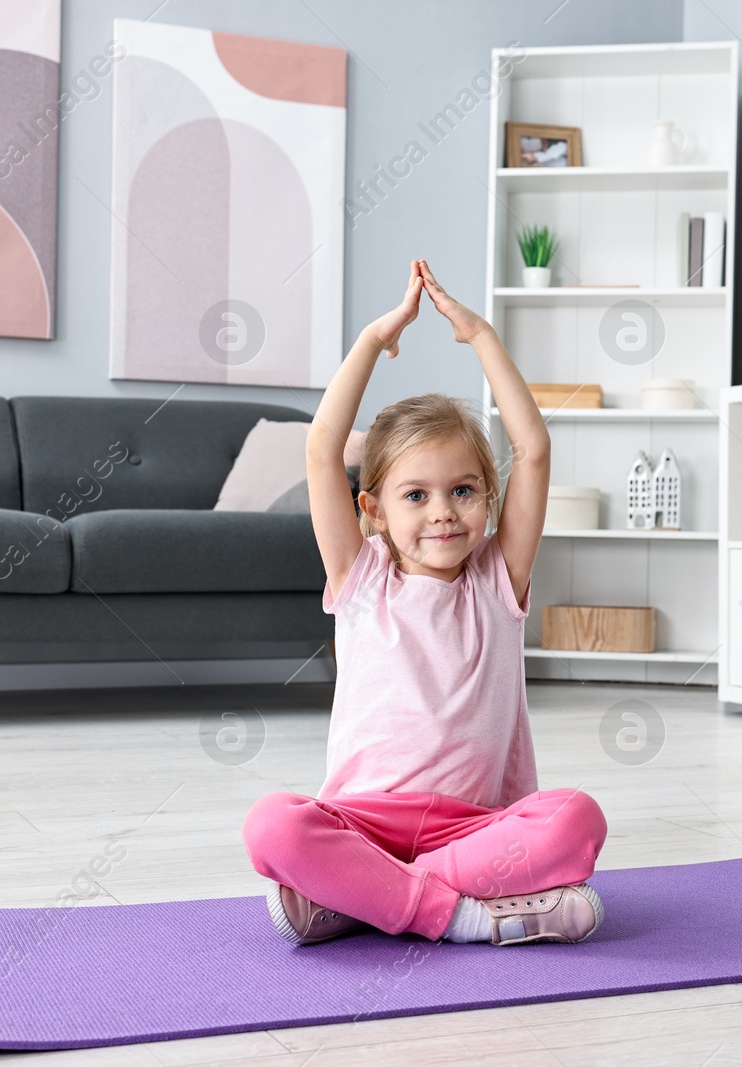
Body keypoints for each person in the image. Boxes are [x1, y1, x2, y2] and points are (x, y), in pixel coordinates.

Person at [242, 259, 608, 947]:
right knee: (273, 825)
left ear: (487, 500)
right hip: (360, 817)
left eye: (464, 490)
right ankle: (458, 915)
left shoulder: (499, 579)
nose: (443, 512)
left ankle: (365, 894)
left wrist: (482, 337)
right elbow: (322, 448)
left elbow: (532, 449)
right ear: (373, 509)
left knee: (577, 820)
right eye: (417, 495)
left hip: (474, 825)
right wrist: (374, 341)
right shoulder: (360, 576)